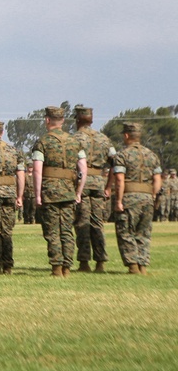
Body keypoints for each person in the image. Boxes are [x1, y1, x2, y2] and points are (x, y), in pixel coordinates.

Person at [32, 106, 87, 278]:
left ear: (47, 120)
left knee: (52, 231)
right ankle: (67, 268)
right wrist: (78, 191)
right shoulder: (75, 142)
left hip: (50, 192)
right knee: (66, 231)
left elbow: (37, 171)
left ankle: (56, 268)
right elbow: (83, 170)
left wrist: (38, 194)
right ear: (62, 121)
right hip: (69, 192)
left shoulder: (42, 142)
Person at [112, 122, 162, 275]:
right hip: (147, 198)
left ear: (126, 135)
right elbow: (158, 180)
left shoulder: (122, 155)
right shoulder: (152, 155)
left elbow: (120, 180)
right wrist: (152, 195)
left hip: (129, 198)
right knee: (143, 233)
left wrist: (119, 201)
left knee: (126, 232)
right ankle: (143, 266)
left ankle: (133, 266)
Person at [72, 105, 116, 273]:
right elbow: (115, 165)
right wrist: (109, 186)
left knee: (82, 223)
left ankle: (84, 262)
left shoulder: (75, 138)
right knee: (97, 223)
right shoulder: (104, 139)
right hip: (98, 183)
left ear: (77, 120)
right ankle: (100, 262)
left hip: (81, 184)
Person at [0, 121, 25, 274]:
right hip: (10, 193)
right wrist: (20, 196)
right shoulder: (14, 150)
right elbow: (20, 175)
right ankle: (7, 265)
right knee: (7, 231)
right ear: (2, 132)